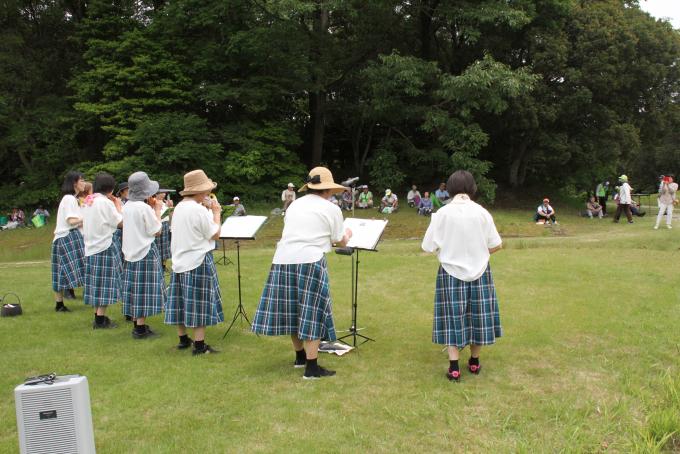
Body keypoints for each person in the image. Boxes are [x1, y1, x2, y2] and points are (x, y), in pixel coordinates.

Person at [252, 166, 352, 379]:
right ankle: (311, 368)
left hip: (282, 260)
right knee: (311, 312)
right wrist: (348, 234)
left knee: (292, 310)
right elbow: (339, 239)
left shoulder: (294, 205)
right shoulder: (331, 209)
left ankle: (299, 357)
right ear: (327, 189)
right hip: (310, 260)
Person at [422, 170, 503, 382]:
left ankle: (454, 367)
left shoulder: (442, 213)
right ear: (472, 188)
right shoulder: (482, 212)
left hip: (450, 272)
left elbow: (428, 246)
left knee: (452, 317)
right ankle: (474, 362)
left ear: (449, 188)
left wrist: (446, 252)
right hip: (480, 271)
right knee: (479, 316)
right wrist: (480, 254)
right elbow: (496, 245)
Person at [165, 170, 224, 355]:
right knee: (199, 303)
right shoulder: (198, 210)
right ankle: (199, 346)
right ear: (200, 191)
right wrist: (216, 212)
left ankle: (183, 339)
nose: (208, 194)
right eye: (206, 191)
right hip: (197, 259)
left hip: (180, 260)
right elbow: (215, 233)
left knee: (180, 301)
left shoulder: (179, 208)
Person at [121, 172, 165, 339]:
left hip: (130, 253)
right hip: (145, 251)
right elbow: (157, 230)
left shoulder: (127, 206)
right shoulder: (144, 208)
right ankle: (140, 329)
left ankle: (138, 324)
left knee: (134, 290)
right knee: (143, 291)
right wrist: (158, 210)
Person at [82, 173, 123, 329]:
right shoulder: (105, 203)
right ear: (111, 189)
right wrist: (119, 207)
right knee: (106, 283)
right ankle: (100, 320)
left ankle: (99, 316)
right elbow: (119, 222)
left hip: (91, 246)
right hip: (104, 245)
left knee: (96, 284)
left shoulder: (89, 201)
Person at [51, 171, 86, 312]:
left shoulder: (72, 199)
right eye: (81, 180)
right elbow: (71, 221)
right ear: (74, 183)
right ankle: (60, 305)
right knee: (64, 272)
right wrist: (89, 218)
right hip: (67, 237)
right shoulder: (69, 199)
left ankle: (59, 305)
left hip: (65, 237)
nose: (84, 182)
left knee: (60, 272)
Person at [154, 188, 174, 270]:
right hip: (158, 225)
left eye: (165, 193)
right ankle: (157, 264)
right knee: (158, 244)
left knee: (165, 245)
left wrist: (171, 207)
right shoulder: (153, 202)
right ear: (157, 194)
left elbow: (171, 217)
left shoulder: (165, 203)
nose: (164, 194)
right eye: (162, 193)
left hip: (165, 225)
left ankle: (164, 265)